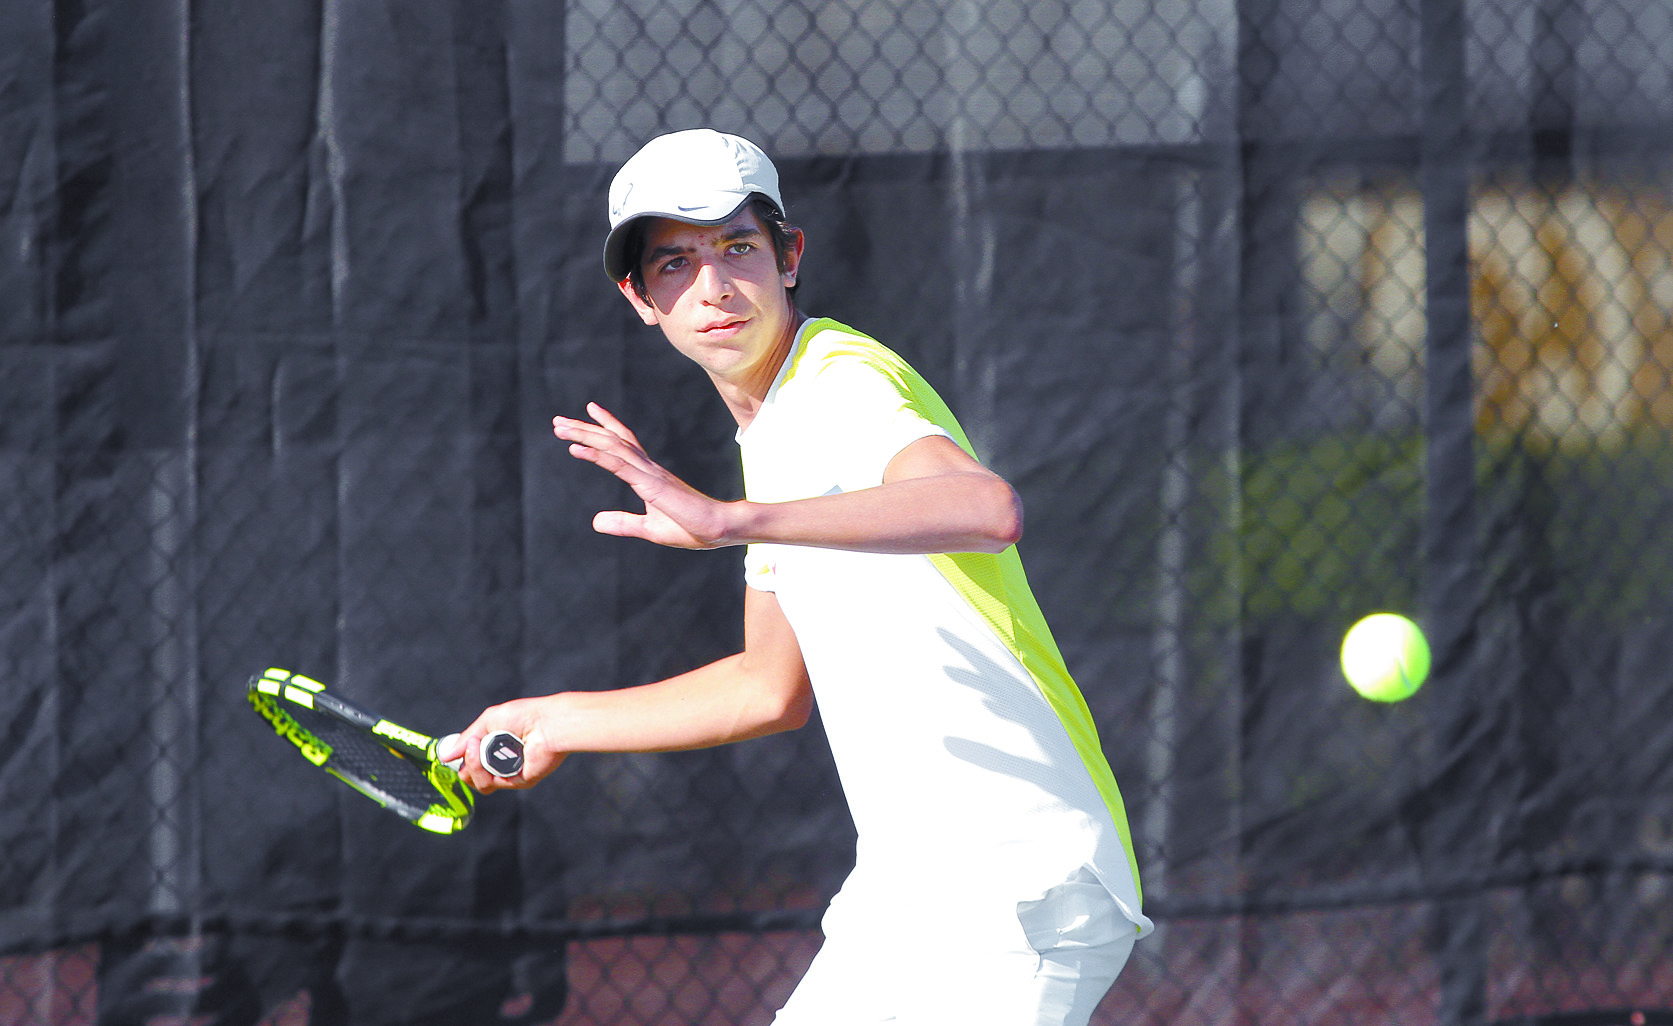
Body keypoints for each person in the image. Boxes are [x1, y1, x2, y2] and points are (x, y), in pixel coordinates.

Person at [446, 129, 1151, 1025]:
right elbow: (765, 687)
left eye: (736, 248)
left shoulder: (836, 382)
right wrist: (554, 721)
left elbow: (985, 509)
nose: (711, 287)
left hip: (1020, 881)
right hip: (907, 893)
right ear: (640, 299)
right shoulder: (769, 434)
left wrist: (733, 522)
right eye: (674, 264)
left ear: (788, 257)